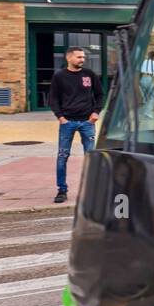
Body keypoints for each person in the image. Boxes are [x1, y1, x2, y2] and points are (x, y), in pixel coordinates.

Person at [49, 46, 103, 204]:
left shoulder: (89, 75)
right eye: (79, 57)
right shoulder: (59, 76)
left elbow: (100, 94)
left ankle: (91, 190)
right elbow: (53, 99)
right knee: (62, 157)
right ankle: (62, 190)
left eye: (83, 57)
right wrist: (60, 117)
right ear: (69, 58)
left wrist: (96, 113)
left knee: (91, 157)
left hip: (87, 122)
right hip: (67, 122)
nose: (82, 60)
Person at [139, 50, 154, 119]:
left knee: (145, 97)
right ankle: (148, 113)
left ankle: (144, 112)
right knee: (153, 96)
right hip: (149, 79)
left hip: (141, 79)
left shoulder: (143, 61)